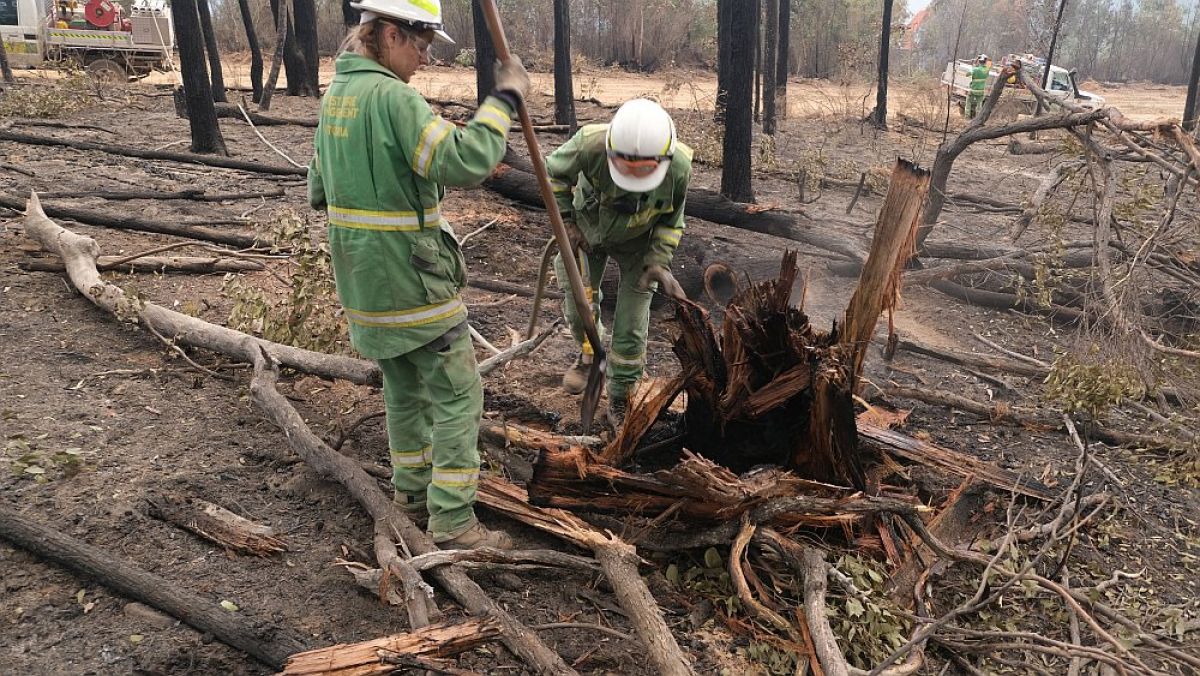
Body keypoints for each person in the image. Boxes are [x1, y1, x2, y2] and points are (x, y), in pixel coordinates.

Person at [307, 0, 530, 549]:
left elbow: (317, 190)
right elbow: (464, 163)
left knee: (404, 391)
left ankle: (411, 495)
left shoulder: (337, 96)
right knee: (459, 394)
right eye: (421, 42)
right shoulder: (394, 98)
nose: (425, 57)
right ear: (386, 33)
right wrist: (503, 100)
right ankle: (453, 521)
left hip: (363, 283)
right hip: (414, 279)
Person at [545, 98, 692, 423]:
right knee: (578, 306)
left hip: (639, 245)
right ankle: (590, 357)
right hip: (587, 230)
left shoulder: (678, 168)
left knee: (631, 324)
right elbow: (552, 173)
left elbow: (671, 223)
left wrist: (657, 262)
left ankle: (621, 396)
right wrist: (567, 222)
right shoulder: (589, 145)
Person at [966, 54, 989, 118]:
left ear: (979, 61)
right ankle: (978, 117)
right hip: (981, 90)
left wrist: (974, 65)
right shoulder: (986, 70)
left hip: (973, 90)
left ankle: (967, 116)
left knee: (968, 102)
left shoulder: (975, 69)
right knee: (979, 105)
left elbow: (967, 74)